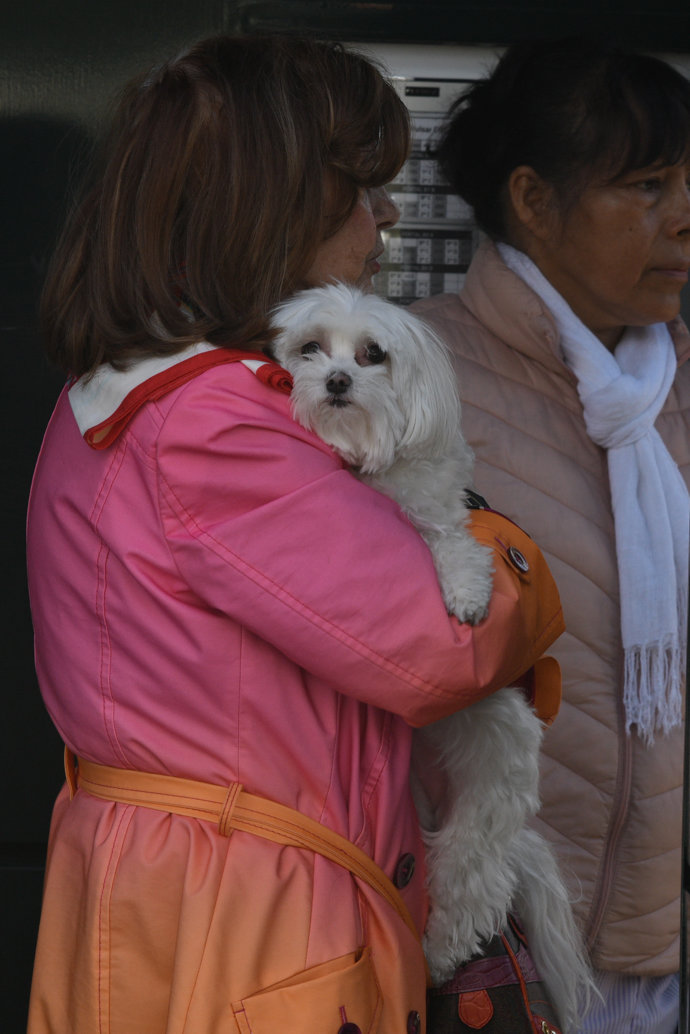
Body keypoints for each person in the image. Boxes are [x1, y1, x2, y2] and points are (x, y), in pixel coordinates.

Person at [25, 35, 564, 1034]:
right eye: (363, 190)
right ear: (270, 208)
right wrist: (517, 564)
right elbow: (443, 642)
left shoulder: (139, 387)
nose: (385, 218)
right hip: (250, 914)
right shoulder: (216, 425)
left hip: (193, 886)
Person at [412, 35, 690, 1034]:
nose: (686, 217)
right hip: (485, 950)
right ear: (534, 201)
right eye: (650, 186)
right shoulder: (422, 375)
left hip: (657, 954)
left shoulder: (676, 386)